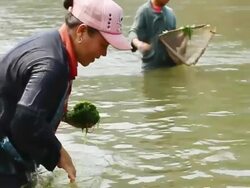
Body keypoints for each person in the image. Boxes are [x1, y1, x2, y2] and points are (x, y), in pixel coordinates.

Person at [0, 0, 131, 187]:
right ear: (82, 32)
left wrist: (66, 117)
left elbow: (20, 102)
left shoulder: (50, 44)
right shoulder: (53, 64)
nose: (104, 54)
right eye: (103, 44)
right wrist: (60, 154)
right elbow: (26, 119)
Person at [129, 0, 177, 70]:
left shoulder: (170, 13)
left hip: (171, 66)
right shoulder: (144, 11)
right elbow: (132, 33)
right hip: (151, 67)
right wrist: (139, 44)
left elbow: (174, 39)